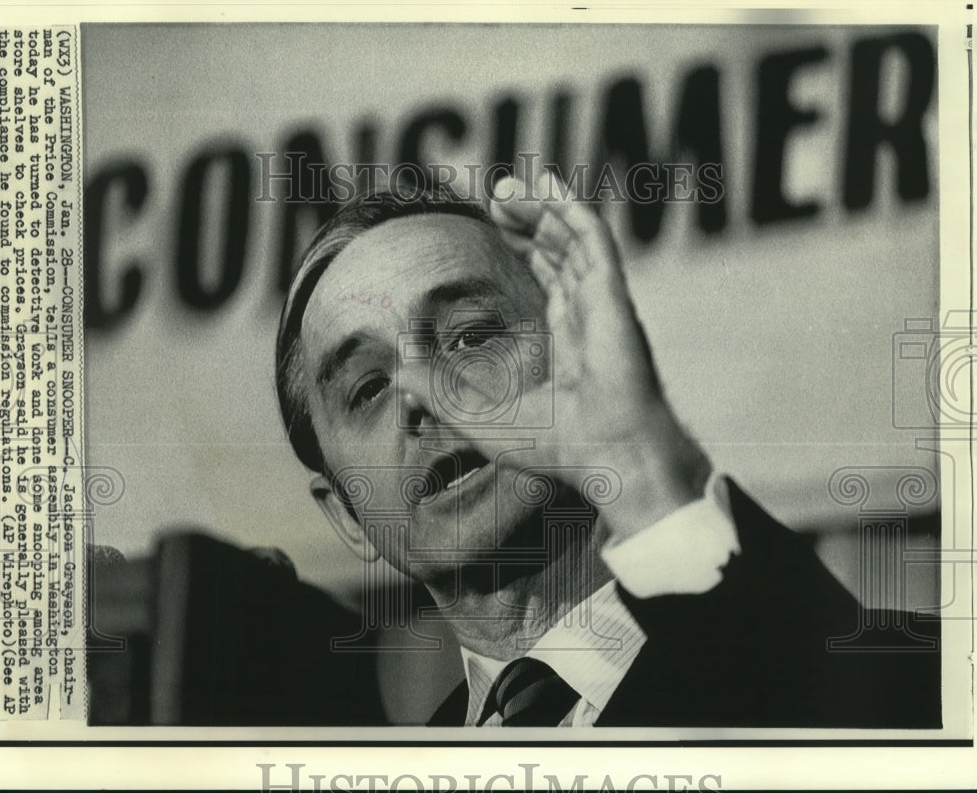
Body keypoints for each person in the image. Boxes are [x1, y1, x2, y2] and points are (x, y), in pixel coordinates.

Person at [275, 172, 940, 728]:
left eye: (470, 337)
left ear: (576, 353)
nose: (424, 395)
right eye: (367, 387)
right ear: (346, 517)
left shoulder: (912, 685)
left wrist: (635, 464)